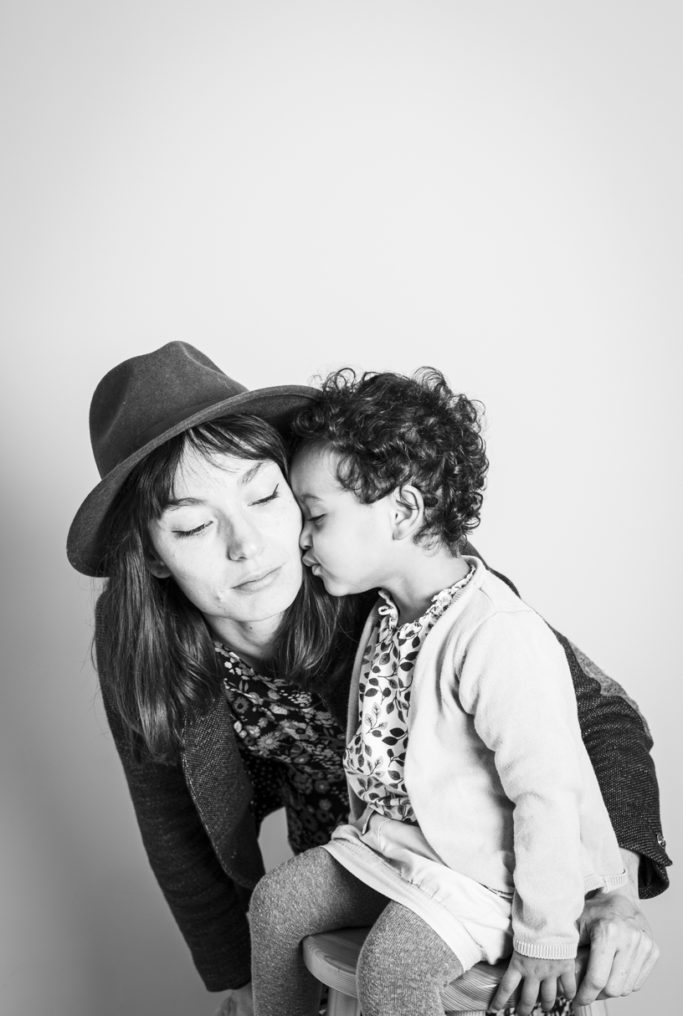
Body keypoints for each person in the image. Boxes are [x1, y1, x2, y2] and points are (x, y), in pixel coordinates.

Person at [67, 343, 669, 1016]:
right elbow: (176, 832)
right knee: (290, 930)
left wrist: (606, 888)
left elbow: (590, 716)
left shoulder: (393, 571)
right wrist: (240, 980)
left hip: (476, 864)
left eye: (266, 496)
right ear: (149, 554)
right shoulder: (143, 643)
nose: (247, 546)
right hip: (357, 853)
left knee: (395, 968)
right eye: (193, 525)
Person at [249, 367, 661, 1016]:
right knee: (275, 905)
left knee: (393, 964)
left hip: (483, 879)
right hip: (398, 848)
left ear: (404, 511)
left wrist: (546, 936)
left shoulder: (497, 634)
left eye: (317, 515)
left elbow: (546, 794)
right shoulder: (388, 614)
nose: (300, 539)